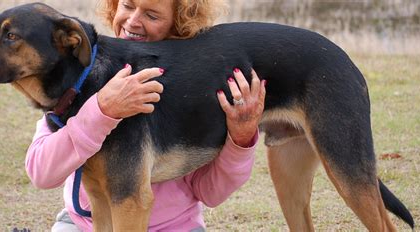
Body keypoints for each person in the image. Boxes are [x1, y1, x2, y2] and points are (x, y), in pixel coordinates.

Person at [25, 0, 267, 231]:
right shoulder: (75, 79)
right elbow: (41, 173)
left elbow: (211, 193)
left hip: (173, 229)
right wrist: (101, 111)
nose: (133, 21)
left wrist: (241, 141)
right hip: (81, 225)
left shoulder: (196, 87)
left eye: (152, 15)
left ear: (179, 24)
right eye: (127, 6)